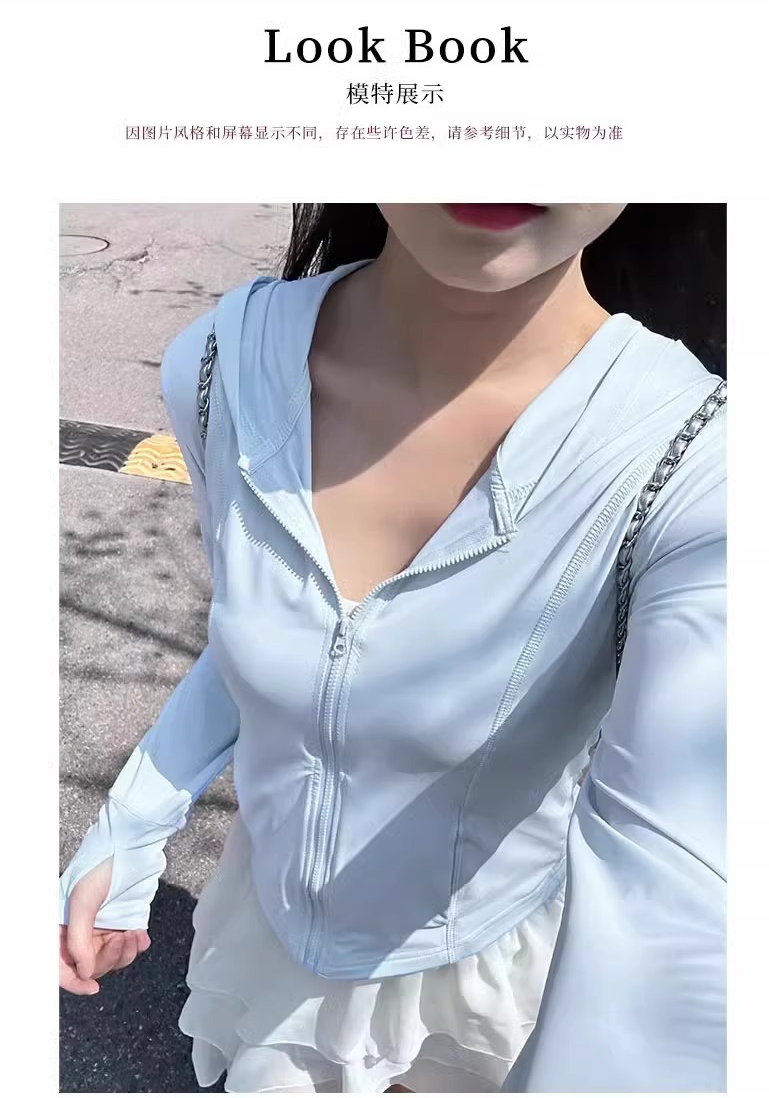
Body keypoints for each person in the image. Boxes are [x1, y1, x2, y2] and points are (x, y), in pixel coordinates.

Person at [59, 203, 726, 1093]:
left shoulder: (696, 464)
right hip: (277, 944)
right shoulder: (222, 367)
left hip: (495, 975)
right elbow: (264, 642)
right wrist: (134, 821)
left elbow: (682, 874)